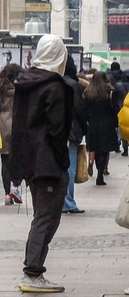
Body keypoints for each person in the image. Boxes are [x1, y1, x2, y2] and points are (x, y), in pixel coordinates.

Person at [10, 34, 73, 293]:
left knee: (43, 215)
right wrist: (62, 160)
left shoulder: (25, 82)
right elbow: (58, 130)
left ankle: (33, 269)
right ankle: (33, 271)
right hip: (48, 161)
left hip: (29, 159)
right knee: (46, 217)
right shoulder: (54, 86)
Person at [0, 64, 26, 206]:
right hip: (18, 124)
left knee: (5, 161)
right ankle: (15, 186)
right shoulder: (21, 89)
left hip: (2, 125)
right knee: (19, 158)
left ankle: (7, 194)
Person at [61, 58, 88, 212]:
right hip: (71, 131)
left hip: (55, 131)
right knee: (69, 167)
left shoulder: (54, 82)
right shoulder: (73, 85)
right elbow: (80, 110)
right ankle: (68, 202)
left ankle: (60, 201)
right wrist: (84, 129)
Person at [84, 71, 119, 186]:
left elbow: (85, 109)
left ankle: (97, 167)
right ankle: (100, 174)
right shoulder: (110, 92)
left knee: (95, 148)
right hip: (107, 124)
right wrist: (115, 123)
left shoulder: (88, 93)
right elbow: (115, 109)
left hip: (93, 124)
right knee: (104, 150)